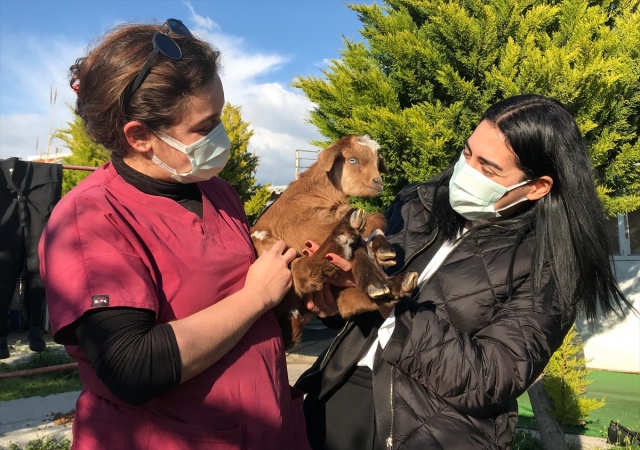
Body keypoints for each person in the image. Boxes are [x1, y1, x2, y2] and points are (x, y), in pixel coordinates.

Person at [296, 94, 633, 449]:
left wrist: (386, 301)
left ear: (537, 187)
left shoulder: (550, 266)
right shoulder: (417, 204)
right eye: (467, 153)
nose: (467, 172)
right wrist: (335, 303)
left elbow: (488, 381)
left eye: (488, 169)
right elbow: (358, 318)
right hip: (335, 399)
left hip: (431, 433)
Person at [39, 19, 310, 450]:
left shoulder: (216, 192)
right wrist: (255, 297)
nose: (221, 136)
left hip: (263, 429)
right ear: (140, 136)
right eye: (205, 127)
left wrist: (301, 292)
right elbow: (132, 366)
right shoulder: (91, 217)